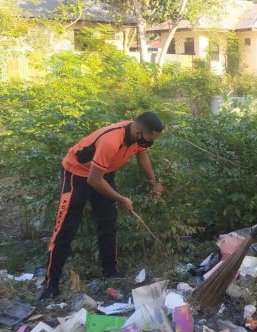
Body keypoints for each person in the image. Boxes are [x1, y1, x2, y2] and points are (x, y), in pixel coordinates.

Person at [38, 112, 166, 300]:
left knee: (108, 223)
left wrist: (154, 182)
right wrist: (121, 199)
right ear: (138, 132)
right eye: (148, 139)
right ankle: (50, 284)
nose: (149, 143)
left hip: (103, 173)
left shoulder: (138, 138)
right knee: (65, 228)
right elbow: (94, 180)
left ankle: (110, 271)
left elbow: (142, 158)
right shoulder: (111, 141)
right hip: (77, 174)